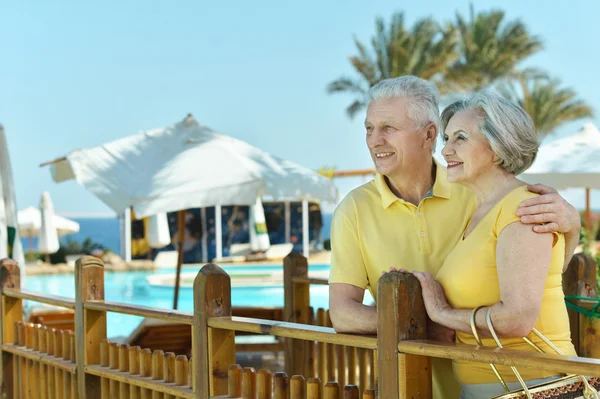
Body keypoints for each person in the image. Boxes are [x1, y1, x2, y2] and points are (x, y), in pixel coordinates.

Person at [327, 76, 581, 399]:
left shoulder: (478, 193)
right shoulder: (353, 210)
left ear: (427, 134)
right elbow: (342, 312)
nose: (374, 140)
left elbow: (534, 281)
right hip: (415, 386)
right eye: (368, 128)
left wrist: (571, 225)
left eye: (388, 128)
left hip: (520, 386)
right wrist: (423, 322)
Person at [412, 91, 576, 398]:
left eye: (460, 138)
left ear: (498, 146)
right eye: (446, 139)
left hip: (532, 388)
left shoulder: (522, 209)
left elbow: (517, 318)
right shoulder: (481, 210)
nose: (446, 150)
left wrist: (441, 312)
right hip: (492, 388)